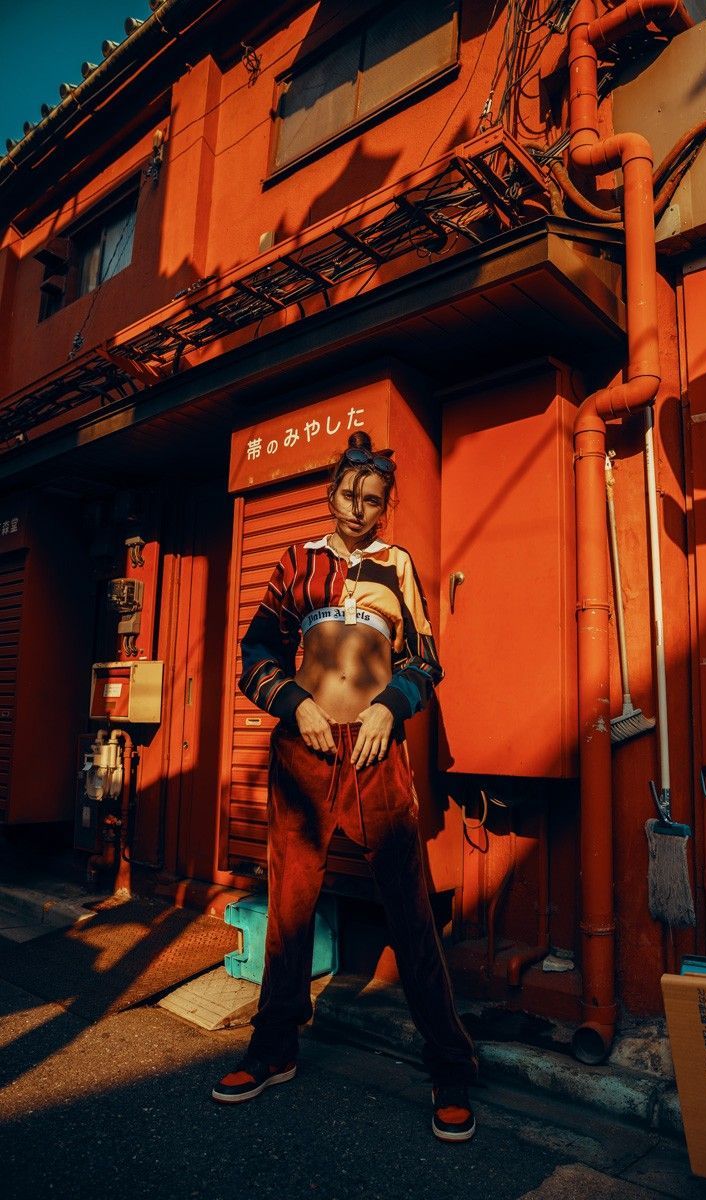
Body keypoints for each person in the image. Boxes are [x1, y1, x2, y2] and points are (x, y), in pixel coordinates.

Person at [211, 431, 479, 1141]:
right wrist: (294, 703)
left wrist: (390, 709)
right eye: (349, 495)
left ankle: (450, 1066)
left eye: (373, 500)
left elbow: (426, 659)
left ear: (385, 508)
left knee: (410, 908)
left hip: (375, 755)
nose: (359, 509)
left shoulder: (399, 567)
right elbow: (255, 651)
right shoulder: (297, 564)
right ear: (330, 495)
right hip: (304, 752)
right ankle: (273, 1049)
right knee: (292, 904)